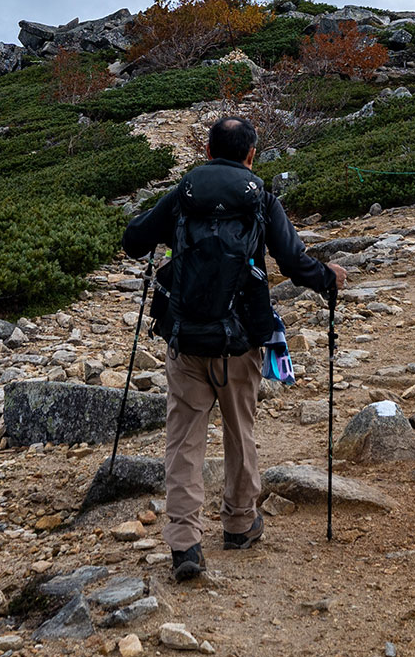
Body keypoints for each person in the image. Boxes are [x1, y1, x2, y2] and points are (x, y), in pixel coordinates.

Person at [122, 114, 347, 582]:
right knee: (239, 430)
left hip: (185, 339)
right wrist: (329, 279)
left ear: (207, 152)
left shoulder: (183, 194)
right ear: (251, 154)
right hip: (241, 339)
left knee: (184, 440)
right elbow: (293, 260)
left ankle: (184, 542)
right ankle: (240, 524)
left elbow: (133, 241)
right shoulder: (261, 200)